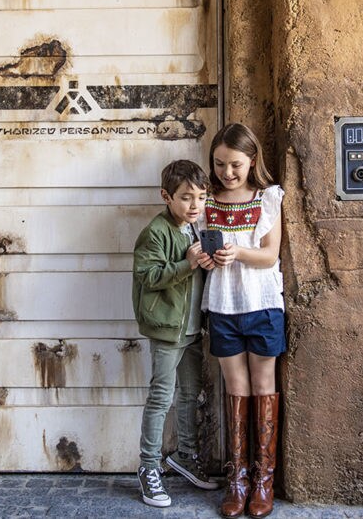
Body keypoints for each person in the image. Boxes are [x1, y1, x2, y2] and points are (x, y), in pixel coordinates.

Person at [201, 123, 285, 519]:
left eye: (235, 164)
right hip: (222, 306)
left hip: (263, 305)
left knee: (263, 386)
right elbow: (196, 247)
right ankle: (238, 480)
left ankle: (264, 481)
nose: (226, 172)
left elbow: (269, 255)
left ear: (252, 161)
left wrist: (237, 252)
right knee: (236, 389)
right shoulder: (206, 202)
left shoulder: (268, 198)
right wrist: (201, 258)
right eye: (219, 164)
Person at [132, 159, 221, 508]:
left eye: (201, 197)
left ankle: (185, 456)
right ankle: (148, 467)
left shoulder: (196, 228)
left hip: (192, 329)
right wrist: (188, 264)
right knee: (161, 396)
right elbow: (148, 276)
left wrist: (207, 264)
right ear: (166, 197)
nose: (195, 205)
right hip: (168, 330)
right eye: (186, 197)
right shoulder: (156, 231)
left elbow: (197, 273)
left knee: (189, 395)